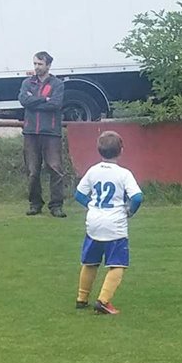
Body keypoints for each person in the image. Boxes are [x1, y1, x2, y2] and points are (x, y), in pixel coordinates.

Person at [73, 130, 143, 315]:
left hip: (94, 222)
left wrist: (91, 205)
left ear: (99, 150)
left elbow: (79, 194)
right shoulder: (124, 174)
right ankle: (103, 301)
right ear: (121, 150)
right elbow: (137, 197)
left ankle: (82, 298)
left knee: (90, 262)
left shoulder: (93, 171)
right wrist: (130, 211)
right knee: (118, 264)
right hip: (114, 224)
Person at [20, 51, 66, 217]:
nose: (36, 67)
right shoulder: (27, 83)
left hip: (51, 133)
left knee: (55, 169)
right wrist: (44, 99)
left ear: (48, 65)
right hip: (30, 132)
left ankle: (56, 205)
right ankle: (35, 203)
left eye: (40, 64)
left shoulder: (57, 84)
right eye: (35, 64)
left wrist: (34, 101)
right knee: (32, 171)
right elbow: (23, 101)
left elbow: (55, 104)